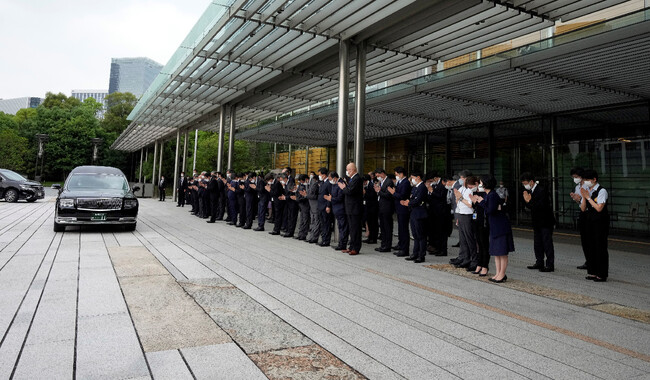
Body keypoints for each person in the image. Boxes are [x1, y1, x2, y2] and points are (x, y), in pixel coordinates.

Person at [476, 175, 514, 282]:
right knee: (496, 252)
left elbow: (490, 210)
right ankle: (498, 273)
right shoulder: (489, 195)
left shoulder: (492, 195)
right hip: (494, 226)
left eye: (481, 183)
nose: (480, 185)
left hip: (500, 227)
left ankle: (502, 274)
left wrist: (481, 201)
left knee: (502, 251)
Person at [521, 172, 555, 272]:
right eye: (523, 183)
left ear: (531, 182)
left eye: (525, 183)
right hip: (536, 221)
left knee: (547, 243)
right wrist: (527, 201)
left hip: (545, 221)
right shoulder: (529, 191)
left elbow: (541, 206)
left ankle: (550, 264)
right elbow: (529, 206)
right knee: (538, 243)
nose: (524, 185)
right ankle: (539, 262)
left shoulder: (541, 190)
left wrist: (529, 201)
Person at [579, 169, 609, 282]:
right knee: (590, 246)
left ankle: (601, 274)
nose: (586, 182)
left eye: (588, 180)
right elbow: (583, 208)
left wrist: (588, 198)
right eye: (584, 180)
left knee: (600, 247)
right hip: (589, 221)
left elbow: (599, 208)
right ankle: (592, 271)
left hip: (600, 222)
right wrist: (584, 197)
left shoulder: (602, 191)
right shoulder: (586, 190)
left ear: (594, 179)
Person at [452, 175, 478, 271]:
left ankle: (473, 259)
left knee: (469, 239)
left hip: (468, 215)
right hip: (461, 214)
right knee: (463, 239)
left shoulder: (470, 190)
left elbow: (470, 204)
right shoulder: (463, 189)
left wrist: (460, 198)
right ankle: (465, 258)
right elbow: (458, 203)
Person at [402, 171, 427, 263]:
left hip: (419, 213)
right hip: (413, 212)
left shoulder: (422, 187)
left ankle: (421, 255)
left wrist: (408, 203)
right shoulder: (415, 187)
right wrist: (408, 202)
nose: (412, 180)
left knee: (421, 235)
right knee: (415, 235)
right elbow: (412, 197)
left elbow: (418, 200)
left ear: (418, 177)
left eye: (413, 178)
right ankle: (415, 254)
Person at [339, 163, 363, 255]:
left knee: (356, 229)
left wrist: (343, 187)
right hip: (350, 208)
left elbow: (350, 191)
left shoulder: (357, 179)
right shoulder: (352, 179)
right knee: (352, 228)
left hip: (355, 208)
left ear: (353, 170)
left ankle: (356, 248)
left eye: (348, 170)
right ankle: (351, 246)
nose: (347, 172)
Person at [569, 167, 588, 270]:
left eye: (576, 177)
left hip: (589, 212)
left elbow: (588, 202)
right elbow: (580, 204)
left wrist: (580, 199)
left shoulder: (587, 186)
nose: (575, 179)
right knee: (584, 239)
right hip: (582, 212)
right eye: (573, 177)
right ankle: (587, 260)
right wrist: (576, 199)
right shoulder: (577, 187)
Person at [390, 166, 411, 257]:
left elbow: (402, 195)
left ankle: (404, 249)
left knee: (404, 229)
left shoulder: (405, 182)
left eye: (397, 174)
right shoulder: (400, 182)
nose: (396, 176)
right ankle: (401, 245)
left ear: (401, 174)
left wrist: (393, 193)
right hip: (399, 208)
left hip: (403, 208)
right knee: (400, 229)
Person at [325, 172, 348, 251]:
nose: (330, 181)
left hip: (341, 209)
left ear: (334, 178)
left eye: (330, 179)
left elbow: (340, 198)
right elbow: (332, 194)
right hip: (336, 209)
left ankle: (342, 244)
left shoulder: (341, 183)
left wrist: (330, 199)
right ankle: (341, 243)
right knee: (340, 226)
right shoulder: (335, 184)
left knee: (343, 227)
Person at [472, 178, 490, 275]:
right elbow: (475, 206)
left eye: (481, 184)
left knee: (484, 244)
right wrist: (474, 201)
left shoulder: (487, 195)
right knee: (478, 244)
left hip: (484, 222)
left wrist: (480, 201)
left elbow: (487, 208)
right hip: (477, 221)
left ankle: (485, 266)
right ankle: (479, 264)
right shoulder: (477, 193)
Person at [374, 169, 394, 253]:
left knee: (387, 227)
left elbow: (388, 195)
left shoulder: (389, 182)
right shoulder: (382, 182)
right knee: (382, 227)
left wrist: (379, 191)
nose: (378, 178)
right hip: (381, 207)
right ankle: (383, 244)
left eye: (378, 176)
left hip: (387, 208)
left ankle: (387, 245)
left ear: (382, 173)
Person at [317, 168, 333, 246]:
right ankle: (323, 239)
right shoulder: (322, 183)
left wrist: (328, 206)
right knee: (322, 224)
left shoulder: (328, 183)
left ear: (324, 175)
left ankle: (326, 240)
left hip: (325, 206)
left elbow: (330, 195)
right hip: (320, 206)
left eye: (320, 174)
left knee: (326, 224)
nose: (319, 176)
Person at [306, 170, 322, 243]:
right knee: (313, 221)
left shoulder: (316, 184)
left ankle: (314, 237)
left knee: (316, 222)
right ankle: (311, 236)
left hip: (315, 206)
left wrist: (307, 195)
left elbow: (315, 195)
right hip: (312, 206)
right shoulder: (310, 183)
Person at [363, 174, 379, 244]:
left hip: (373, 207)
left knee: (373, 223)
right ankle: (370, 237)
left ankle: (373, 238)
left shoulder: (371, 185)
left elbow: (372, 196)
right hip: (368, 207)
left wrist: (365, 193)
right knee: (369, 223)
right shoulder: (366, 186)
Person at [296, 174, 311, 240]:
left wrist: (300, 198)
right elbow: (297, 192)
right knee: (301, 220)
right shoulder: (301, 185)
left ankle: (304, 234)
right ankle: (300, 234)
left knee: (305, 220)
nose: (301, 182)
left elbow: (307, 196)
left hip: (305, 205)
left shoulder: (308, 185)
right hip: (301, 205)